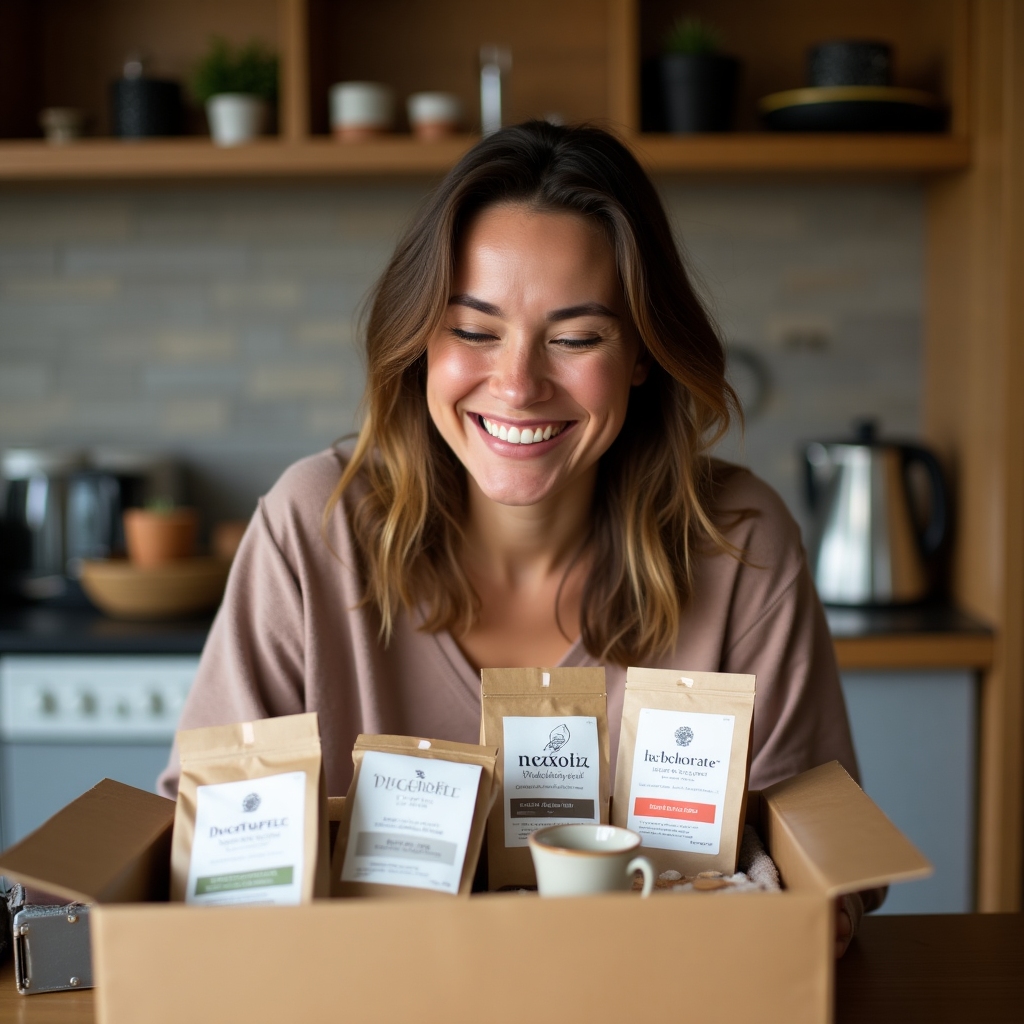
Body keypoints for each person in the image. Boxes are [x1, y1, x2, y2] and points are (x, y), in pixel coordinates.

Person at [158, 121, 870, 953]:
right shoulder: (314, 526)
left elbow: (832, 859)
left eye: (575, 338)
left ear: (642, 353)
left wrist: (806, 915)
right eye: (473, 329)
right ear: (420, 340)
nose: (519, 384)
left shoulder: (739, 544)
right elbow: (203, 847)